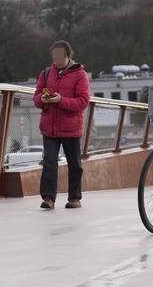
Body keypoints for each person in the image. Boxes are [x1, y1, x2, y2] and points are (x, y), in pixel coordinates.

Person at [33, 40, 90, 210]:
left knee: (75, 164)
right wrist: (42, 100)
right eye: (54, 57)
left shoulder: (80, 75)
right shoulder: (46, 73)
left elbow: (83, 101)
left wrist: (61, 101)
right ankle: (49, 198)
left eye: (59, 57)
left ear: (68, 56)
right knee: (49, 162)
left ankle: (74, 198)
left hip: (71, 128)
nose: (56, 60)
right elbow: (36, 96)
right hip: (49, 128)